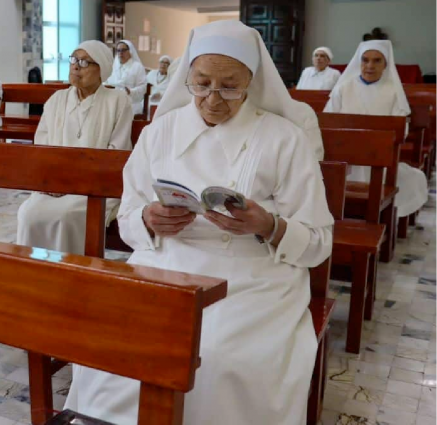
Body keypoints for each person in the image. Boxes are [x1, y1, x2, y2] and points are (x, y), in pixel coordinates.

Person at [64, 21, 333, 424]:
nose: (212, 99)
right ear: (187, 77)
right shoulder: (160, 131)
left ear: (251, 81)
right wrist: (149, 219)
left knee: (217, 357)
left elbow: (318, 240)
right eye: (202, 84)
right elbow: (128, 217)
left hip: (252, 277)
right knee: (110, 339)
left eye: (230, 87)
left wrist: (268, 225)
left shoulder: (284, 138)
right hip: (165, 264)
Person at [16, 40, 133, 255]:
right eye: (74, 60)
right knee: (27, 213)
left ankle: (70, 270)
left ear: (102, 70)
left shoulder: (117, 101)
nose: (76, 66)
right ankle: (34, 270)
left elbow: (117, 152)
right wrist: (51, 180)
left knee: (66, 215)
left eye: (84, 62)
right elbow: (41, 145)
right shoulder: (56, 100)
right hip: (54, 185)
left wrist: (74, 182)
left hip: (95, 187)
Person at [324, 40, 428, 218]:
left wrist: (372, 144)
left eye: (377, 60)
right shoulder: (343, 88)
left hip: (380, 159)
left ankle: (379, 219)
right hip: (344, 159)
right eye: (365, 60)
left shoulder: (393, 92)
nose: (370, 66)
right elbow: (328, 122)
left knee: (413, 179)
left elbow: (400, 130)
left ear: (385, 64)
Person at [105, 40, 148, 115]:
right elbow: (106, 82)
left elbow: (143, 87)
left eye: (123, 50)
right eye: (118, 50)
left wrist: (130, 91)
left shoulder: (137, 67)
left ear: (130, 51)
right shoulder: (112, 66)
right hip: (112, 102)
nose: (120, 53)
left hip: (131, 103)